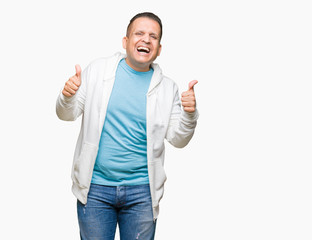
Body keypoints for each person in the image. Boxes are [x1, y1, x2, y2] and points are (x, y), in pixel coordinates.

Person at [56, 12, 199, 240]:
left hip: (142, 192)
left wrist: (190, 114)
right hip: (95, 189)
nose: (146, 40)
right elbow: (66, 115)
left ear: (159, 49)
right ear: (125, 41)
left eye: (153, 36)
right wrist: (67, 96)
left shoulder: (168, 89)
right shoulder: (97, 71)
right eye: (139, 33)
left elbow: (179, 139)